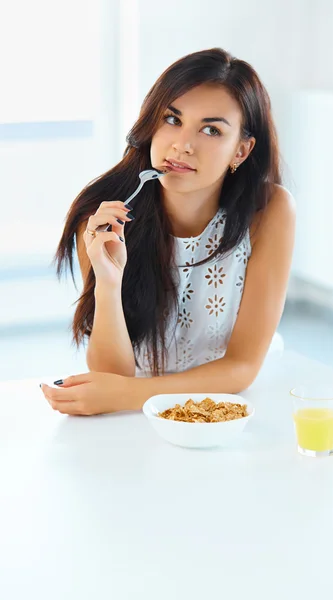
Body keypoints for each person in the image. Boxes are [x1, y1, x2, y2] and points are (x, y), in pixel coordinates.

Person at [40, 47, 296, 416]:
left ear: (240, 150)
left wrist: (129, 395)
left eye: (211, 130)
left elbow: (242, 367)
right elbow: (112, 376)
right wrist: (109, 285)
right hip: (142, 417)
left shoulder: (270, 211)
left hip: (231, 408)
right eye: (172, 120)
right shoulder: (102, 217)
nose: (183, 145)